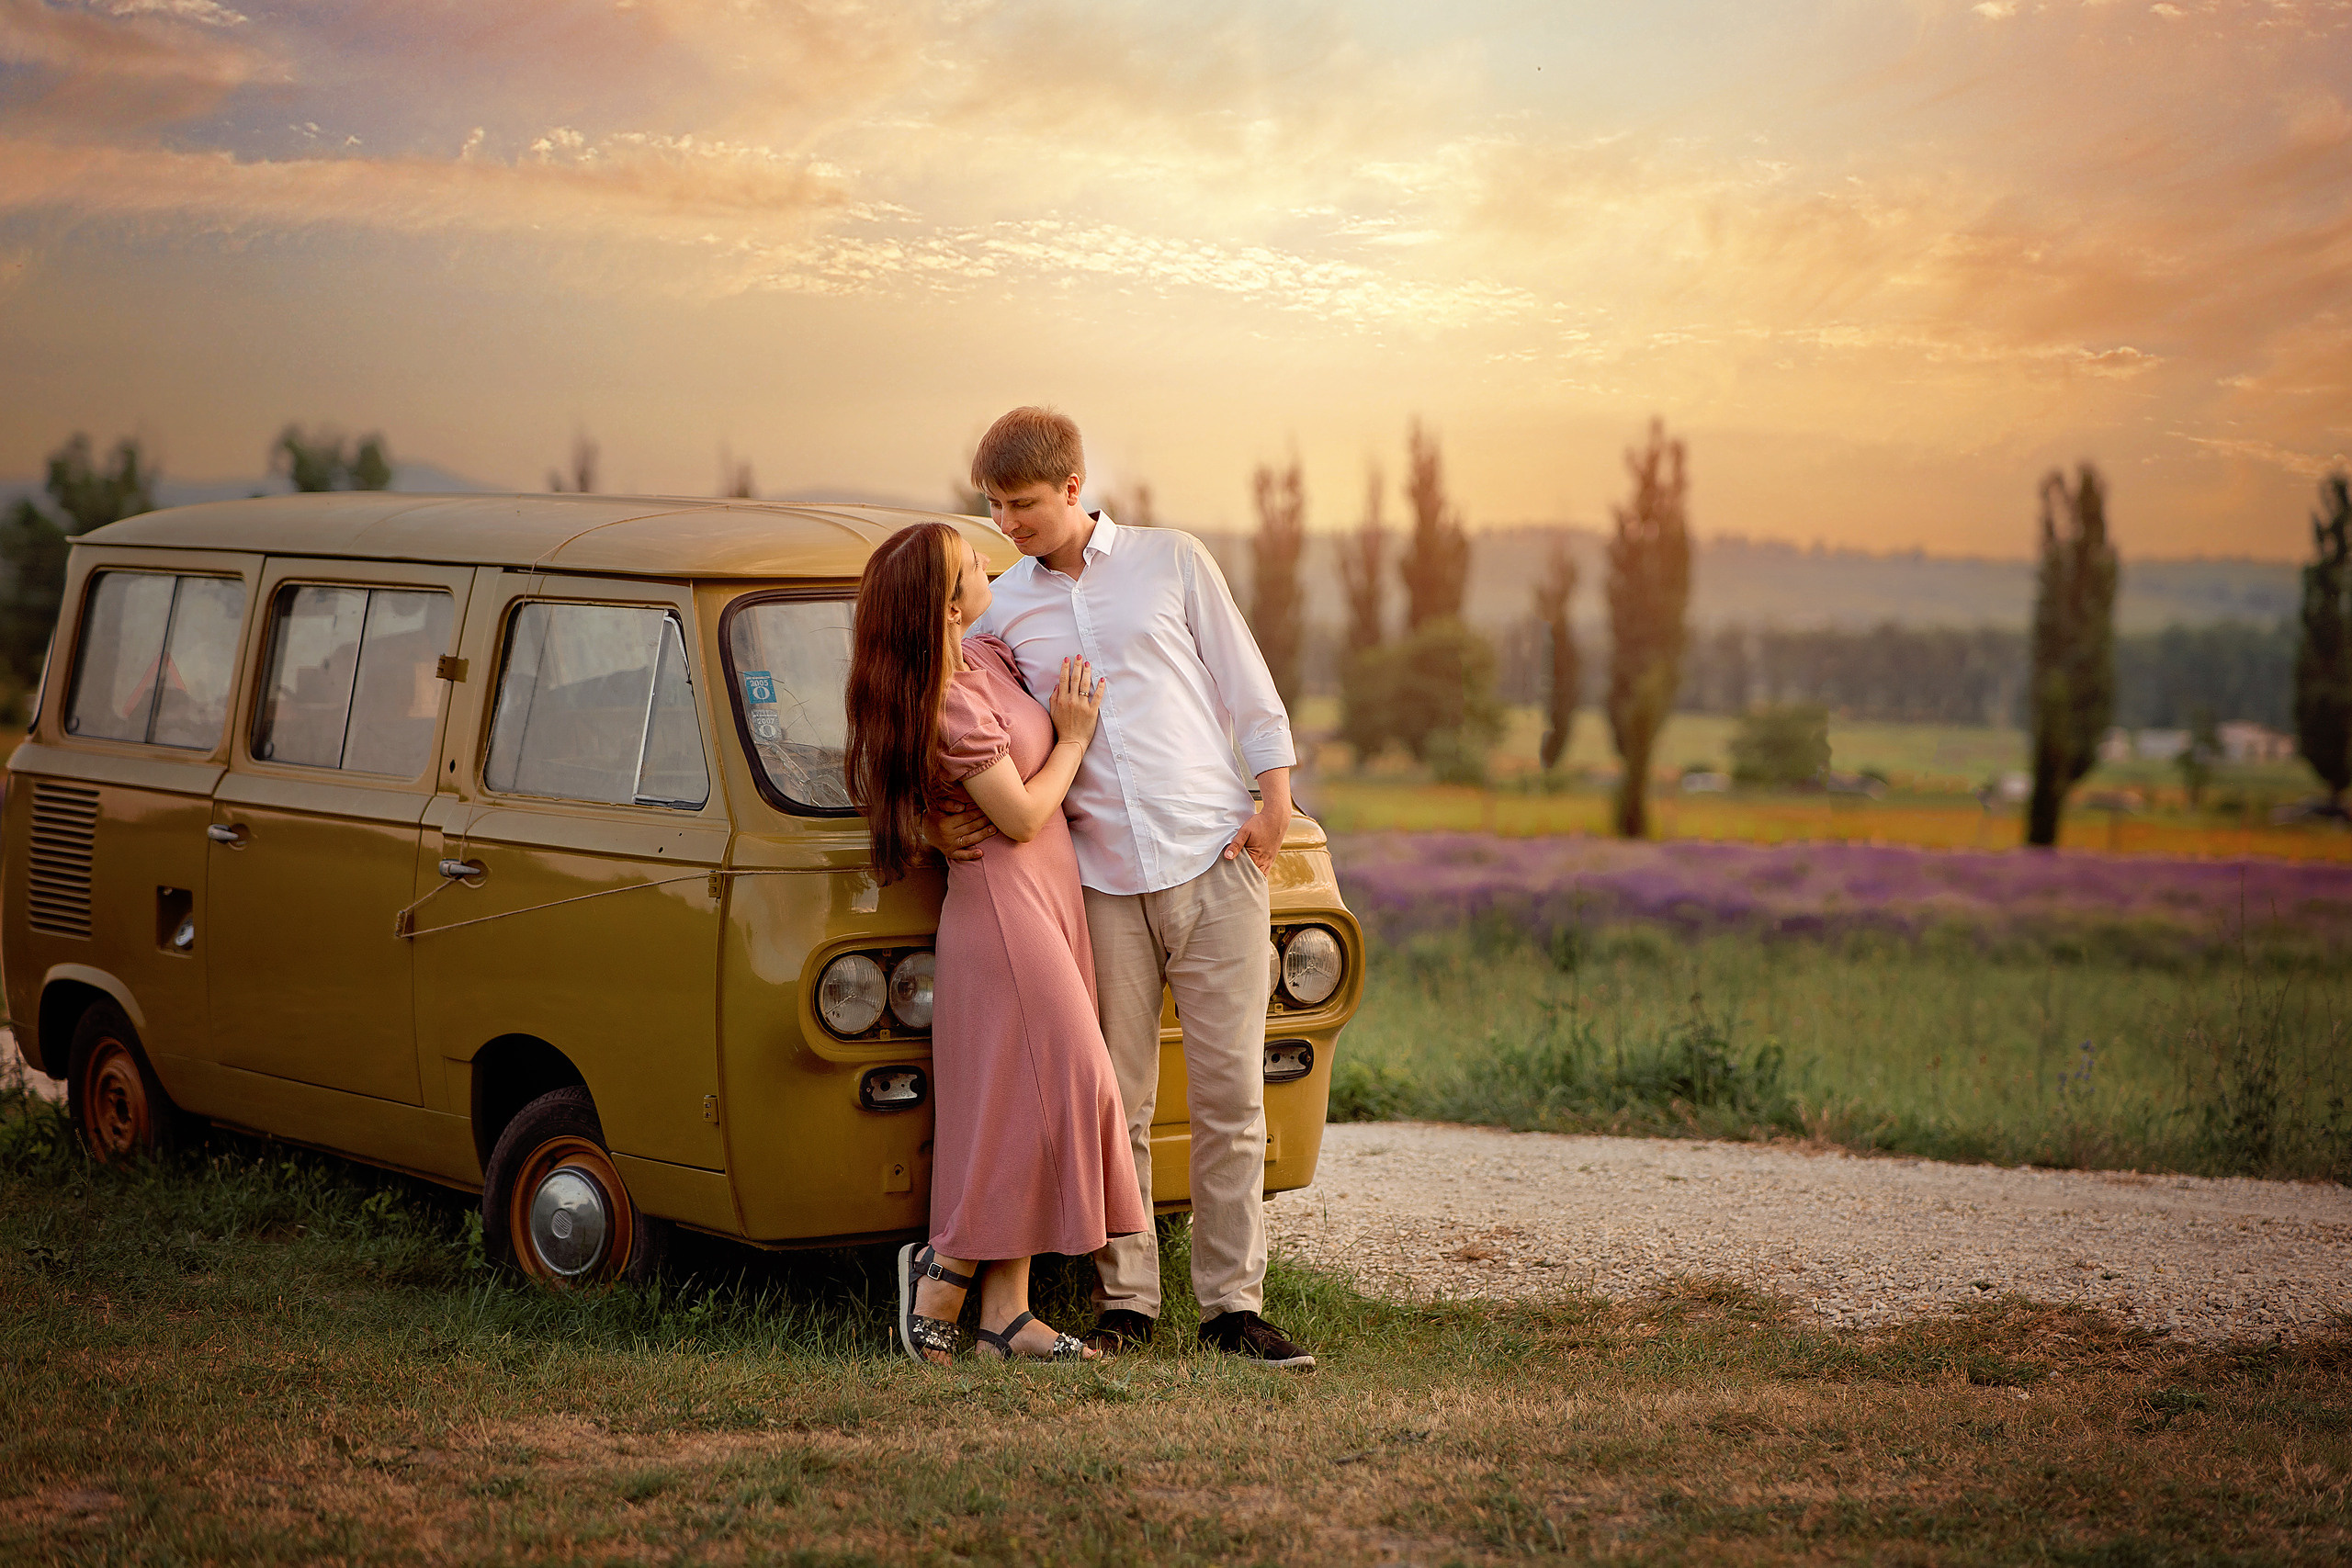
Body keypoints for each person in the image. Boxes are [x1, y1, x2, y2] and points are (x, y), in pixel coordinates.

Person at [937, 405, 1316, 1371]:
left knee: (1232, 1098)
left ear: (1072, 487)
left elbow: (1243, 676)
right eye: (992, 507)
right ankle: (1128, 1303)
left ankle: (1232, 1308)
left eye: (1021, 504)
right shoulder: (1005, 607)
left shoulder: (1171, 560)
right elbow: (943, 697)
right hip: (1099, 884)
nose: (1007, 523)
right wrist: (924, 811)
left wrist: (1275, 797)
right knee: (1119, 1101)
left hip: (1215, 863)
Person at [843, 520, 1147, 1364]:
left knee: (1024, 1103)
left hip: (1046, 899)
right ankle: (942, 1272)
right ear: (945, 603)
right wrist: (1077, 738)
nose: (991, 564)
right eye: (974, 563)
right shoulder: (945, 700)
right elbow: (1016, 814)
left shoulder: (982, 660)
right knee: (1074, 1077)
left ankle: (1005, 1316)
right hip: (1005, 909)